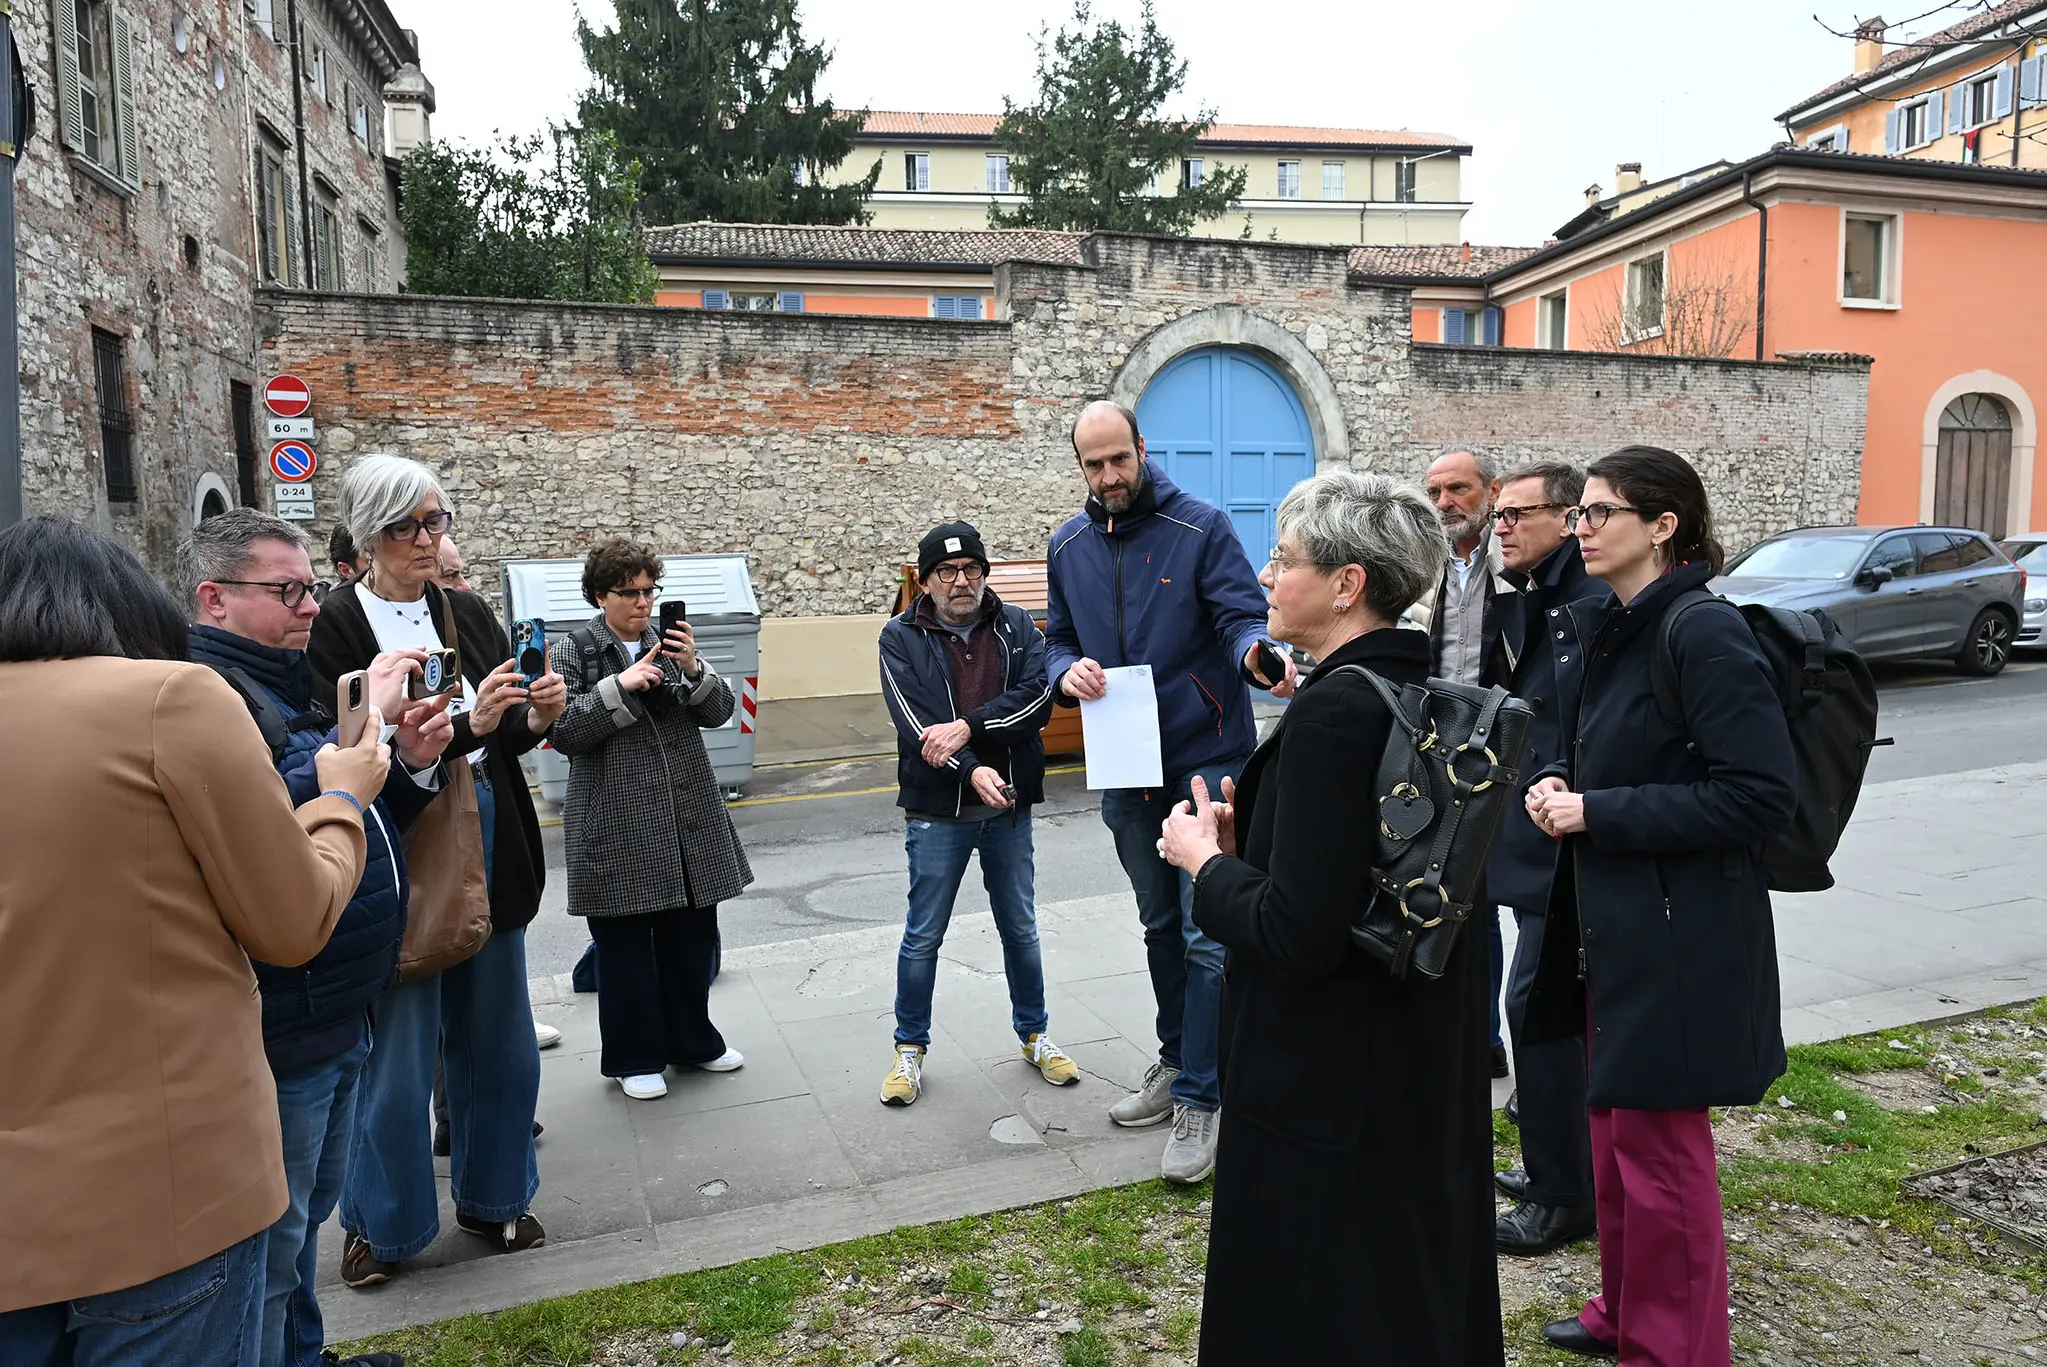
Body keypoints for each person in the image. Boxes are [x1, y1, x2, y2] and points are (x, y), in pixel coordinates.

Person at [0, 516, 387, 1367]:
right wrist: (342, 800)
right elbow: (290, 921)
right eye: (288, 590)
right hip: (160, 1185)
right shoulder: (169, 697)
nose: (308, 608)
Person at [1159, 470, 1503, 1366]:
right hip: (1409, 1071)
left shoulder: (1333, 714)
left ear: (1347, 584)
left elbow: (1297, 935)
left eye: (1283, 559)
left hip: (1324, 1087)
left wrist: (1206, 864)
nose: (1267, 578)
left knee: (1317, 1305)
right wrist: (1252, 852)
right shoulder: (1421, 691)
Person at [1522, 446, 1796, 1364]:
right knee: (1614, 1131)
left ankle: (1675, 1347)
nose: (1581, 528)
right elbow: (1626, 752)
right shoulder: (1616, 622)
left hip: (1679, 932)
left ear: (1662, 525)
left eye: (1598, 513)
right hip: (1617, 923)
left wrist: (1595, 811)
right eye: (1580, 515)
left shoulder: (1701, 631)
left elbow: (1758, 796)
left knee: (1660, 1153)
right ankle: (1626, 1306)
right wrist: (1560, 779)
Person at [183, 510, 458, 1367]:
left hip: (337, 1002)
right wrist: (361, 734)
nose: (309, 605)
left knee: (301, 1224)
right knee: (274, 1235)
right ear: (213, 599)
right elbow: (255, 827)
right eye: (287, 590)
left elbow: (348, 817)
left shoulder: (283, 678)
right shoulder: (203, 696)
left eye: (311, 586)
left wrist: (401, 762)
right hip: (288, 1014)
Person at [308, 453, 568, 1285]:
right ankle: (381, 1224)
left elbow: (503, 738)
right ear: (367, 534)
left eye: (436, 520)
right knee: (396, 1054)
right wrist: (463, 730)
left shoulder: (464, 609)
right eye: (407, 526)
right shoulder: (338, 626)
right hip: (396, 836)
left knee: (498, 1042)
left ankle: (495, 1199)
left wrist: (531, 717)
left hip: (489, 834)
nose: (427, 539)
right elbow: (332, 751)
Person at [1045, 400, 1295, 1184]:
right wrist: (1064, 673)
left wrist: (1257, 652)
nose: (1110, 477)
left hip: (1203, 759)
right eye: (1094, 465)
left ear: (1142, 449)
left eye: (1119, 459)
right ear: (1079, 466)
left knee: (1205, 934)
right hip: (1124, 770)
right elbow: (1055, 636)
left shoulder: (1202, 525)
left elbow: (1239, 618)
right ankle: (1176, 1056)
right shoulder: (1068, 543)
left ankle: (1203, 1095)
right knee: (1158, 925)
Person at [546, 538, 752, 1099]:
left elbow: (719, 712)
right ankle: (636, 1057)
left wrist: (692, 668)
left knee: (692, 938)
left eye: (648, 591)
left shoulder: (671, 642)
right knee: (626, 948)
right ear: (599, 595)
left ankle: (694, 1041)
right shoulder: (575, 651)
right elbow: (562, 732)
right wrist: (622, 687)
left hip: (687, 815)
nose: (641, 602)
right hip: (617, 819)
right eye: (627, 592)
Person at [876, 522, 1069, 1105]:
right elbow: (915, 725)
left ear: (983, 572)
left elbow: (1038, 701)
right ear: (925, 579)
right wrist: (970, 768)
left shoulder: (1015, 625)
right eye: (946, 572)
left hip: (1008, 806)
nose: (961, 582)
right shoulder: (900, 635)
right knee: (923, 935)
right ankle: (909, 1049)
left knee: (1021, 927)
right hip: (939, 811)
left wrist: (970, 727)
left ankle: (1035, 1035)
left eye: (971, 570)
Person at [1482, 464, 1607, 1260]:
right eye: (1497, 516)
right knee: (1542, 1008)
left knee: (1537, 1007)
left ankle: (1565, 1192)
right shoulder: (1534, 594)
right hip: (1540, 830)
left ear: (1565, 519)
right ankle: (1563, 1174)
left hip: (1571, 837)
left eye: (1513, 514)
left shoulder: (1584, 601)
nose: (1500, 527)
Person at [1420, 446, 1516, 1081]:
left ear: (1491, 491)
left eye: (1457, 489)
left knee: (1486, 900)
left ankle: (1485, 1037)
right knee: (1442, 891)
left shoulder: (1515, 561)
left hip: (1502, 751)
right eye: (1435, 492)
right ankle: (1444, 1027)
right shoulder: (1421, 562)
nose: (1445, 503)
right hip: (1433, 748)